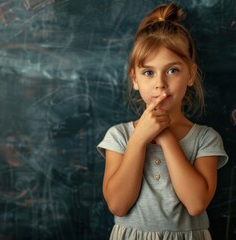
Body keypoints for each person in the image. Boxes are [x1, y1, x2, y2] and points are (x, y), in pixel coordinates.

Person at [97, 3, 228, 240]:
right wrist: (139, 139)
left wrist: (164, 134)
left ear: (190, 74)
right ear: (134, 79)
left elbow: (196, 203)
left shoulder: (205, 139)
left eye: (172, 71)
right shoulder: (119, 137)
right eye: (149, 73)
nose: (160, 84)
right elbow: (117, 205)